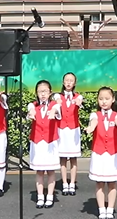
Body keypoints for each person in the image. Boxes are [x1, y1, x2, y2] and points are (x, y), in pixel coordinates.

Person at [86, 86, 117, 219]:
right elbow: (94, 122)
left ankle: (110, 209)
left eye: (107, 99)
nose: (104, 101)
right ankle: (101, 209)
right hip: (99, 153)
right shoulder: (95, 115)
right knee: (100, 183)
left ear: (113, 100)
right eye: (101, 99)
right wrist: (91, 128)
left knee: (112, 183)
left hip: (112, 154)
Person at [27, 80, 61, 208]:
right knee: (39, 172)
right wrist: (31, 113)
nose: (43, 94)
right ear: (36, 93)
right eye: (40, 91)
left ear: (50, 92)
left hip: (50, 142)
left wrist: (53, 112)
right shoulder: (33, 105)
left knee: (51, 171)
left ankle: (50, 196)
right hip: (37, 143)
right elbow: (30, 109)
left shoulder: (54, 105)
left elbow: (57, 108)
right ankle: (40, 196)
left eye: (45, 91)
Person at [55, 72, 83, 196]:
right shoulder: (58, 96)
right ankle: (64, 183)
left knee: (73, 158)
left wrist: (78, 101)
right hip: (61, 129)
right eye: (66, 80)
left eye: (71, 80)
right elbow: (55, 101)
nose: (68, 82)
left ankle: (72, 183)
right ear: (63, 82)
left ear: (74, 83)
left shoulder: (78, 96)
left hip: (73, 130)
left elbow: (79, 102)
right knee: (62, 158)